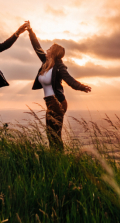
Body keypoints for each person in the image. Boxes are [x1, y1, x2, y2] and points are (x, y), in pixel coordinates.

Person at [26, 22, 91, 150]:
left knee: (55, 135)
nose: (47, 49)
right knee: (51, 134)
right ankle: (55, 159)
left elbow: (69, 79)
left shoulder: (59, 66)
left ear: (54, 52)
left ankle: (58, 158)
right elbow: (36, 46)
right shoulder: (45, 62)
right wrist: (30, 31)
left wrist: (81, 86)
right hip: (49, 102)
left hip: (58, 102)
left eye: (50, 48)